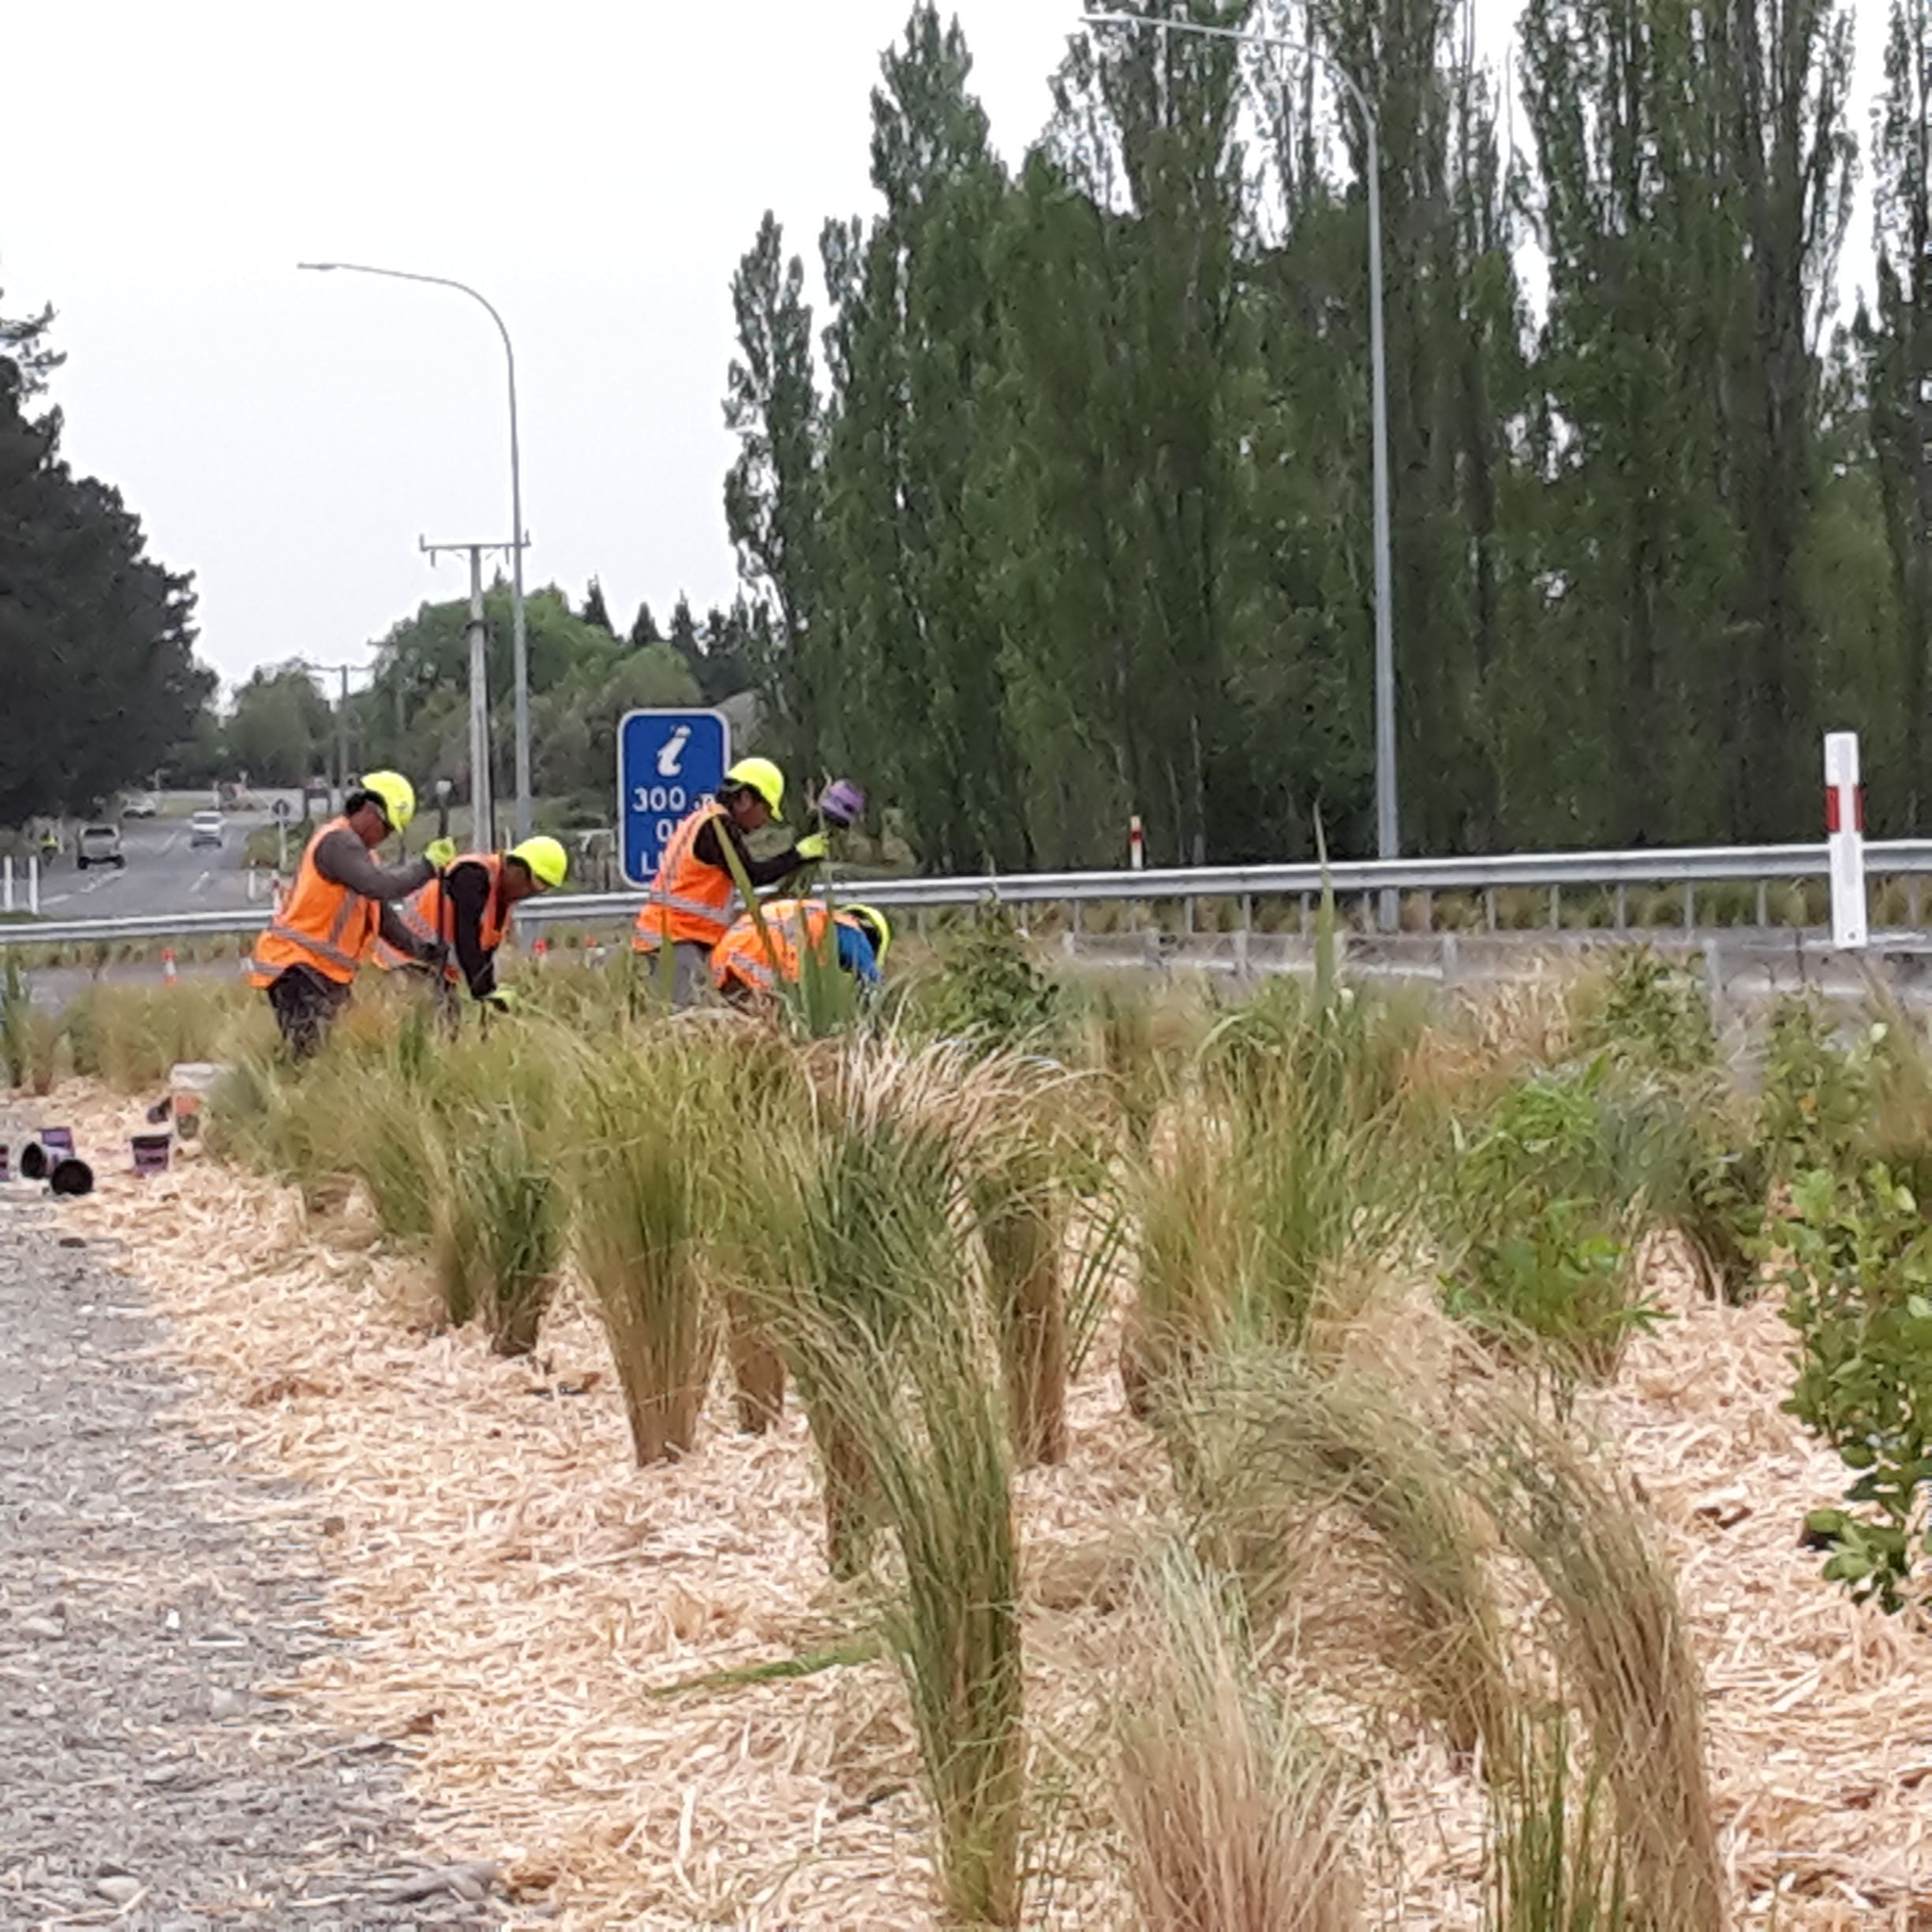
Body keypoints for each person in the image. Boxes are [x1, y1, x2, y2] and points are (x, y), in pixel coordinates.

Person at [245, 771, 438, 1058]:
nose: (384, 837)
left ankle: (280, 1086)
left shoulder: (362, 858)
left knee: (332, 1055)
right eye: (386, 829)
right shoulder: (338, 843)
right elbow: (381, 887)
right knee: (314, 1056)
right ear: (371, 812)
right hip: (297, 964)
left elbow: (385, 921)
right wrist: (426, 867)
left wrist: (428, 953)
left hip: (322, 972)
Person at [632, 758, 829, 1006]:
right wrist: (798, 855)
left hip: (677, 937)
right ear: (745, 799)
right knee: (683, 1021)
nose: (764, 822)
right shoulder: (717, 827)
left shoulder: (704, 820)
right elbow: (749, 876)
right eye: (765, 810)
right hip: (678, 939)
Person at [373, 835, 568, 1009]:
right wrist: (484, 991)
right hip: (404, 960)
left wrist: (490, 992)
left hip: (432, 966)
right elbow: (466, 935)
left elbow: (484, 955)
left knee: (448, 1024)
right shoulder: (472, 875)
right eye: (532, 884)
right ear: (516, 867)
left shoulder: (501, 900)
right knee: (436, 1025)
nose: (527, 893)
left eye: (538, 891)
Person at [710, 899, 889, 1003]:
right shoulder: (851, 929)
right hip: (761, 955)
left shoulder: (816, 916)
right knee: (785, 1024)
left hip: (725, 952)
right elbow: (872, 983)